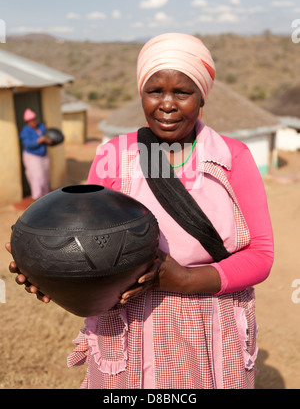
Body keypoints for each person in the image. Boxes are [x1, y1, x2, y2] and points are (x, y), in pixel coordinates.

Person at [8, 33, 274, 389]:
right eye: (154, 91)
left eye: (182, 92)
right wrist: (53, 273)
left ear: (202, 96)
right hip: (129, 327)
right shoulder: (113, 157)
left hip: (210, 324)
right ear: (141, 93)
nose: (167, 104)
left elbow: (261, 253)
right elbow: (85, 239)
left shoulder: (231, 158)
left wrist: (190, 280)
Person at [19, 108, 52, 200]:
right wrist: (40, 140)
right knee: (37, 178)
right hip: (32, 156)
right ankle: (37, 198)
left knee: (45, 177)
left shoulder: (41, 127)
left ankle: (46, 198)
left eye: (34, 119)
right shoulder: (25, 131)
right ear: (27, 122)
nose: (33, 122)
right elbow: (28, 144)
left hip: (43, 155)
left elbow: (47, 137)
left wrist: (49, 141)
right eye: (31, 120)